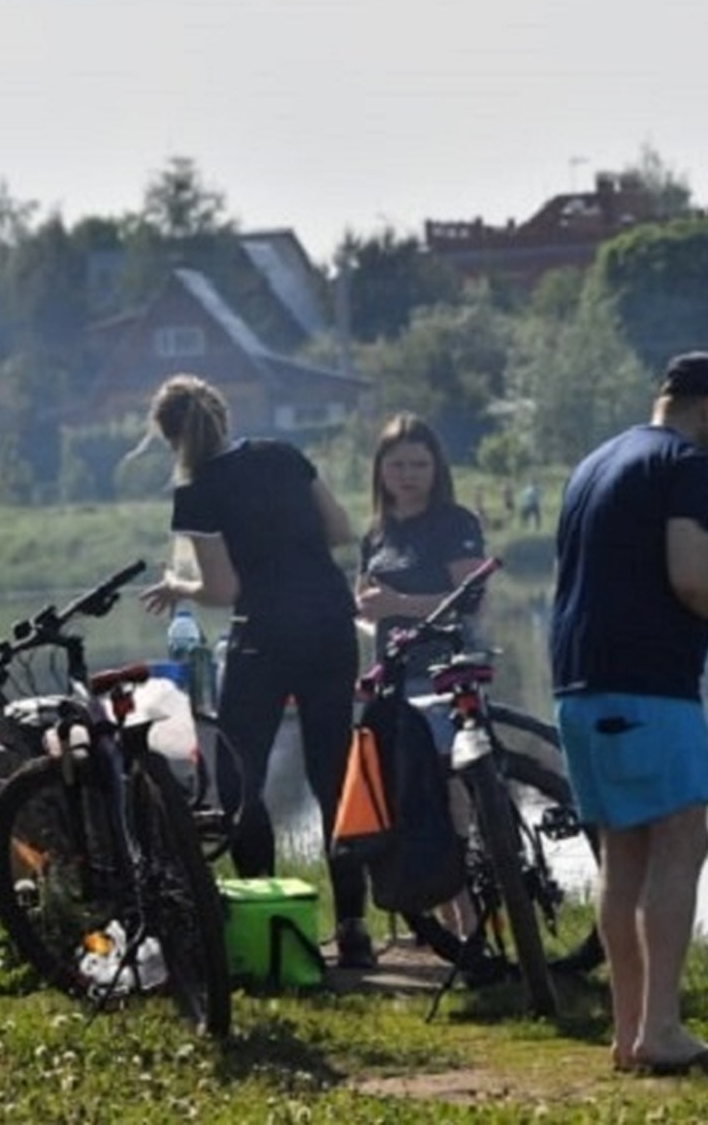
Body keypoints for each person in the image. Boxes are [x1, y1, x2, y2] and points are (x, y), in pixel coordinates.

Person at [549, 351, 708, 1074]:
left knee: (626, 852)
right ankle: (665, 1030)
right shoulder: (688, 464)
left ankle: (630, 1035)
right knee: (684, 838)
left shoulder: (596, 461)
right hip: (647, 682)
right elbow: (690, 574)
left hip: (579, 683)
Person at [137, 374, 375, 969]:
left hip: (263, 636)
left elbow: (223, 589)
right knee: (332, 774)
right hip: (328, 623)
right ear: (223, 412)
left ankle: (267, 918)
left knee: (239, 776)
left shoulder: (195, 492)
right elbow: (343, 530)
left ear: (169, 438)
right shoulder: (283, 455)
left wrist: (177, 585)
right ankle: (352, 928)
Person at [356, 413, 485, 937]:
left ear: (437, 469)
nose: (408, 474)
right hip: (393, 677)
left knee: (451, 798)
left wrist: (398, 603)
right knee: (411, 800)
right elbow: (370, 611)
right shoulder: (376, 534)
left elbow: (470, 603)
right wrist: (368, 618)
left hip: (444, 674)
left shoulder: (456, 523)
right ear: (380, 471)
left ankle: (475, 923)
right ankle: (446, 926)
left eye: (419, 464)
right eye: (397, 464)